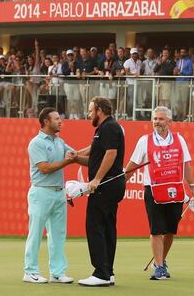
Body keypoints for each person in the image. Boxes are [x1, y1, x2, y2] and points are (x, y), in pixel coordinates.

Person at [124, 106, 194, 281]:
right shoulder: (145, 140)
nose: (157, 122)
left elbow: (186, 164)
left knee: (170, 230)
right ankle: (158, 267)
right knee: (156, 230)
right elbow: (133, 164)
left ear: (169, 122)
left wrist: (193, 187)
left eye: (161, 119)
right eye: (155, 119)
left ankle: (162, 261)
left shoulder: (179, 140)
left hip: (175, 190)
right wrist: (122, 182)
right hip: (153, 189)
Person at [74, 96, 125, 287]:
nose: (89, 114)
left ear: (99, 110)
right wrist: (75, 156)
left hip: (106, 185)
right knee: (107, 228)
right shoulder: (104, 129)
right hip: (110, 185)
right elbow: (94, 153)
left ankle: (101, 273)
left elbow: (111, 154)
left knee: (95, 226)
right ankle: (108, 272)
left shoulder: (109, 127)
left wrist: (96, 179)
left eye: (90, 111)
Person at [23, 108, 77, 284]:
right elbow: (44, 168)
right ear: (46, 122)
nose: (60, 121)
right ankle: (30, 271)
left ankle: (57, 272)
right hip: (41, 192)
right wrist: (67, 160)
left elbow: (76, 155)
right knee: (36, 233)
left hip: (58, 193)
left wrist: (98, 144)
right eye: (56, 119)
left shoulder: (59, 142)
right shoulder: (36, 143)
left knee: (58, 234)